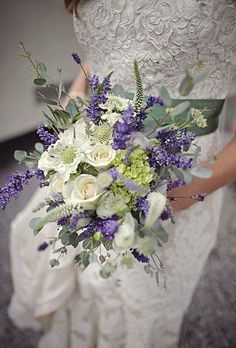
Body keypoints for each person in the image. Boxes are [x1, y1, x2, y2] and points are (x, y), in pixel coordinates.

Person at [8, 0, 236, 347]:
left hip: (176, 177)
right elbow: (112, 47)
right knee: (87, 288)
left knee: (143, 305)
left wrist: (185, 191)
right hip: (90, 150)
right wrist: (78, 92)